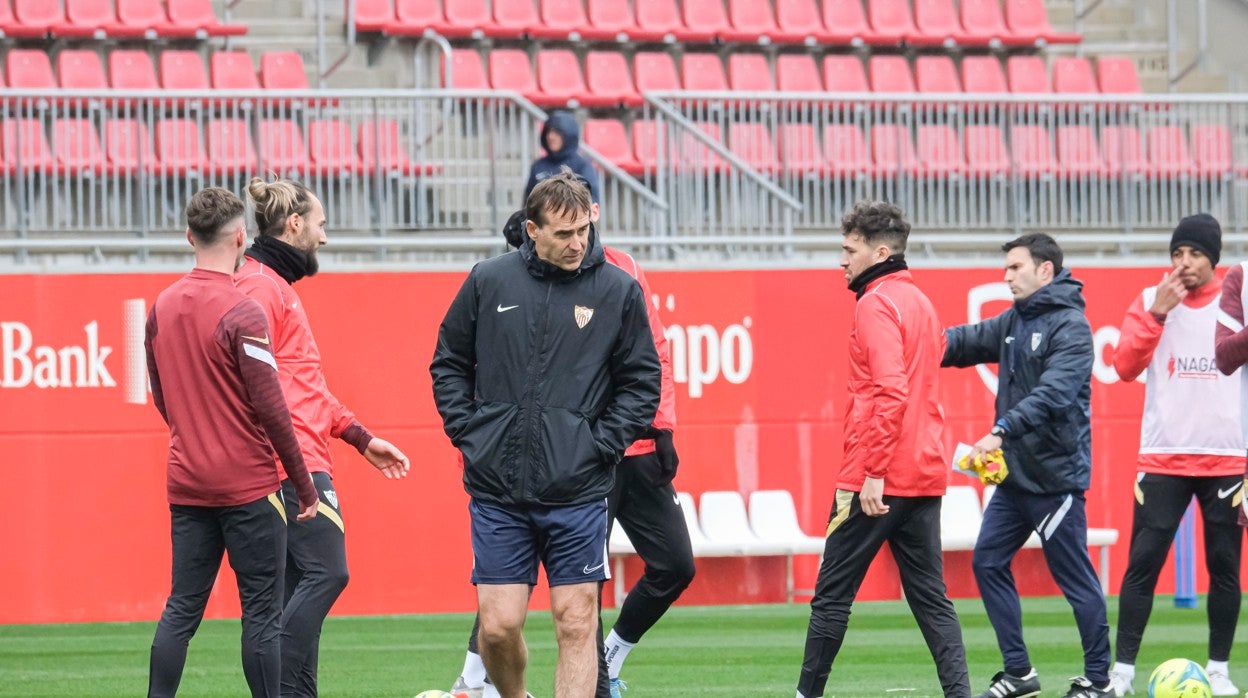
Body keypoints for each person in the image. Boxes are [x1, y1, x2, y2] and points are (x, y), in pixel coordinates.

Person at [430, 172, 661, 698]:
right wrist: (470, 433)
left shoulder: (618, 290)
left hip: (579, 489)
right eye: (562, 233)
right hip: (497, 489)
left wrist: (598, 446)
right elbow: (448, 363)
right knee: (498, 626)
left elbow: (642, 382)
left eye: (583, 229)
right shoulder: (488, 280)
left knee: (576, 621)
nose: (577, 242)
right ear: (532, 229)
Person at [235, 177, 411, 697]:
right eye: (320, 225)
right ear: (295, 225)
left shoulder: (271, 286)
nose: (324, 238)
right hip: (291, 462)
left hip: (297, 456)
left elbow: (302, 388)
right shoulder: (262, 288)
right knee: (328, 574)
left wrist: (358, 436)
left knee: (297, 586)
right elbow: (250, 382)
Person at [146, 187, 319, 698]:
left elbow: (162, 395)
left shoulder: (161, 305)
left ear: (188, 237)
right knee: (262, 616)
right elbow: (272, 409)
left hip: (188, 482)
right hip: (248, 485)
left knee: (181, 609)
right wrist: (305, 487)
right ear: (242, 237)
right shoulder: (244, 312)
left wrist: (191, 435)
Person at [796, 200, 970, 698]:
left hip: (875, 476)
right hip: (924, 470)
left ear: (881, 252)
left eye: (849, 250)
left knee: (831, 598)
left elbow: (891, 392)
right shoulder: (920, 301)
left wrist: (873, 471)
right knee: (932, 600)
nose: (841, 260)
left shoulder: (875, 303)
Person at [942, 233, 1111, 698]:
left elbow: (1054, 395)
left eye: (1016, 267)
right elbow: (965, 342)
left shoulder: (1072, 328)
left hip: (1055, 483)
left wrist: (1000, 431)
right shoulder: (1016, 319)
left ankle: (1100, 681)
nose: (1007, 275)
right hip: (1015, 480)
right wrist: (919, 343)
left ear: (1045, 270)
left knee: (1075, 581)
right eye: (1006, 268)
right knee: (988, 562)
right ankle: (1020, 673)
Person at [1108, 214, 1243, 696]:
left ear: (1214, 259)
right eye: (1177, 254)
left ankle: (1220, 669)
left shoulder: (1237, 303)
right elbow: (1123, 366)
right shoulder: (1149, 300)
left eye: (1195, 255)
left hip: (1226, 459)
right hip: (1162, 459)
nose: (1183, 264)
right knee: (1141, 565)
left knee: (1225, 569)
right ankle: (1121, 673)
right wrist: (1158, 315)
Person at [524, 110, 601, 206]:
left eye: (556, 133)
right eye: (548, 132)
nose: (550, 137)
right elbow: (527, 204)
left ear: (568, 135)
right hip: (541, 219)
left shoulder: (582, 166)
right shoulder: (538, 166)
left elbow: (592, 202)